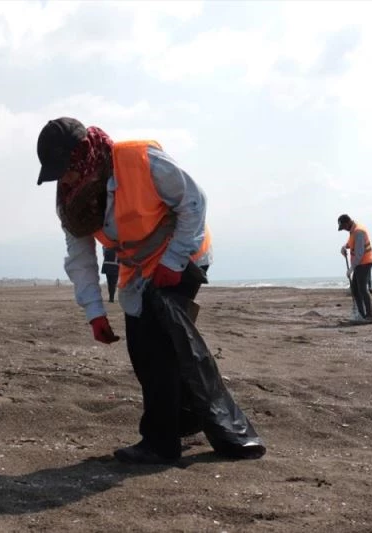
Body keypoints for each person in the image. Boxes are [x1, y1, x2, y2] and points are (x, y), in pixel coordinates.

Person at [36, 117, 265, 464]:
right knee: (144, 349)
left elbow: (194, 202)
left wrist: (174, 261)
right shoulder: (72, 201)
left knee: (157, 347)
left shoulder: (140, 160)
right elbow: (80, 257)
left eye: (65, 170)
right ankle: (185, 419)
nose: (64, 180)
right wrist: (94, 312)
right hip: (139, 269)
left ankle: (160, 443)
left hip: (184, 256)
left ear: (82, 154)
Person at [338, 214, 372, 323]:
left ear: (347, 222)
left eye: (343, 227)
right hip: (360, 264)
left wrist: (351, 269)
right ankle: (361, 315)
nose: (344, 229)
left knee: (362, 289)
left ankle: (369, 316)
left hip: (364, 263)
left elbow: (359, 254)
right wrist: (344, 247)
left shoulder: (358, 232)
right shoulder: (353, 231)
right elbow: (351, 243)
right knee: (355, 289)